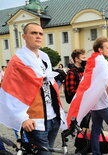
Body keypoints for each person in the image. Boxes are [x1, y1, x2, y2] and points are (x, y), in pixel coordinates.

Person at [0, 23, 66, 155]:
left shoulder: (44, 57)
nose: (38, 36)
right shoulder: (18, 60)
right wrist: (22, 118)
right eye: (33, 33)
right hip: (35, 121)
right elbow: (9, 91)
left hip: (53, 117)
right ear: (24, 36)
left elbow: (49, 85)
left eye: (40, 33)